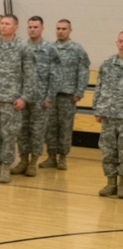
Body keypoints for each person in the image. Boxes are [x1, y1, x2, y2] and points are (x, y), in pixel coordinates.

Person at [0, 14, 37, 183]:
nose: (3, 26)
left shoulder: (23, 47)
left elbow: (30, 76)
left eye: (7, 24)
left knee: (9, 135)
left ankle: (5, 168)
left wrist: (24, 98)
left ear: (15, 27)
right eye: (2, 23)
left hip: (11, 100)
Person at [39, 19, 90, 170]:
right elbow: (43, 71)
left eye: (64, 29)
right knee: (50, 128)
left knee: (65, 128)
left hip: (68, 95)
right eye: (58, 28)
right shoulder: (49, 48)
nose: (60, 31)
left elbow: (83, 71)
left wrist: (79, 92)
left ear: (70, 30)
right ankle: (51, 156)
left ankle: (62, 157)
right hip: (50, 96)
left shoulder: (77, 49)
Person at [12, 16, 58, 176]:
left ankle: (33, 163)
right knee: (22, 130)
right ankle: (23, 161)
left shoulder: (50, 49)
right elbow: (16, 73)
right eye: (30, 27)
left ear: (42, 29)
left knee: (37, 132)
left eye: (36, 27)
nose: (32, 30)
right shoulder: (21, 47)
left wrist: (49, 97)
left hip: (40, 99)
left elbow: (55, 75)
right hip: (23, 97)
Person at [94, 31, 123, 198]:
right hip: (108, 115)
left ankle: (122, 184)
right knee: (108, 151)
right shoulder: (107, 64)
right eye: (120, 41)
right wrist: (98, 109)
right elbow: (99, 87)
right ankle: (110, 182)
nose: (122, 44)